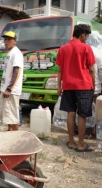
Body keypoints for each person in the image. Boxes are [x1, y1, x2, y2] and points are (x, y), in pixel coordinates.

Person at [57, 24, 95, 152]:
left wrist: (58, 87)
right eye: (87, 36)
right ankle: (81, 144)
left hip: (67, 86)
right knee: (82, 115)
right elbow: (91, 70)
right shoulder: (86, 48)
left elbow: (60, 70)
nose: (87, 39)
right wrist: (93, 86)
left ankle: (72, 142)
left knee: (70, 113)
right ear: (82, 35)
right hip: (84, 85)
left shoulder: (63, 49)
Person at [0, 31, 23, 131]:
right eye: (5, 39)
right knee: (7, 116)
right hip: (6, 90)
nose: (6, 41)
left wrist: (9, 88)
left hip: (11, 91)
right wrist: (3, 88)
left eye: (9, 39)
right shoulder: (10, 53)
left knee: (12, 116)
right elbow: (8, 73)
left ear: (15, 41)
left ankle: (15, 136)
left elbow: (17, 71)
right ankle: (9, 133)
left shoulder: (16, 53)